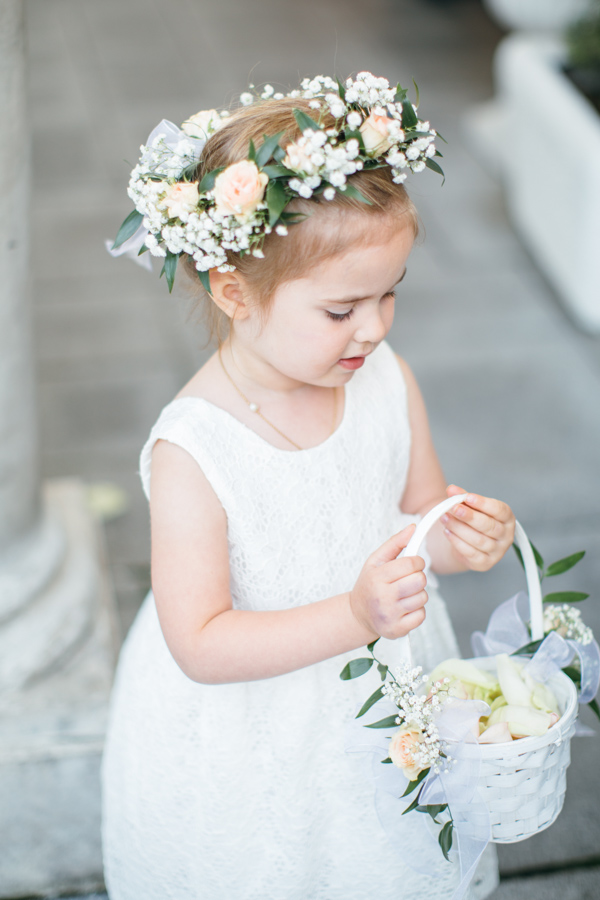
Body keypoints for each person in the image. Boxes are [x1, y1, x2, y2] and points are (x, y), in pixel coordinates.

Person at [102, 73, 515, 900]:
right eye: (341, 310)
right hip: (251, 729)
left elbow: (413, 514)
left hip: (380, 700)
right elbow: (202, 642)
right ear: (233, 293)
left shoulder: (384, 377)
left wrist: (458, 537)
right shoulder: (197, 448)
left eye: (389, 295)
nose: (374, 327)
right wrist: (354, 615)